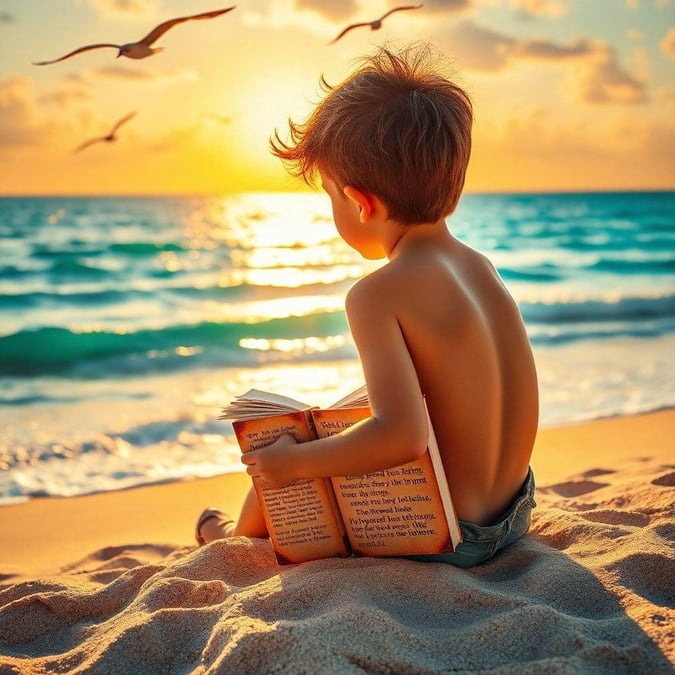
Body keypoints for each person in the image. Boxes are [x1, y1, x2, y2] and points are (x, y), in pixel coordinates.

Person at [196, 42, 538, 568]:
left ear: (361, 202)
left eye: (330, 197)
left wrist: (293, 465)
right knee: (324, 441)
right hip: (512, 518)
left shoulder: (377, 293)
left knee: (286, 456)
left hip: (451, 539)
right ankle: (238, 525)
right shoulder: (479, 268)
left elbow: (402, 436)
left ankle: (230, 542)